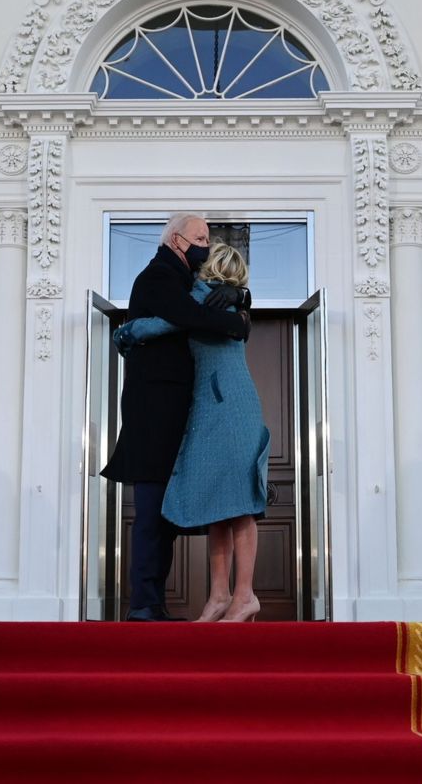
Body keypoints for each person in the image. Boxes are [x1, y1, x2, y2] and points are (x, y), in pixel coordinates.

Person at [101, 215, 251, 622]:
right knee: (151, 511)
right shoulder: (158, 276)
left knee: (164, 515)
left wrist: (239, 297)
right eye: (200, 237)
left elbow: (205, 299)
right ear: (176, 240)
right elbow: (191, 315)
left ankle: (154, 603)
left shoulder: (180, 276)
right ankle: (144, 605)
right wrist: (236, 322)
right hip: (153, 415)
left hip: (175, 414)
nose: (206, 243)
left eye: (207, 238)